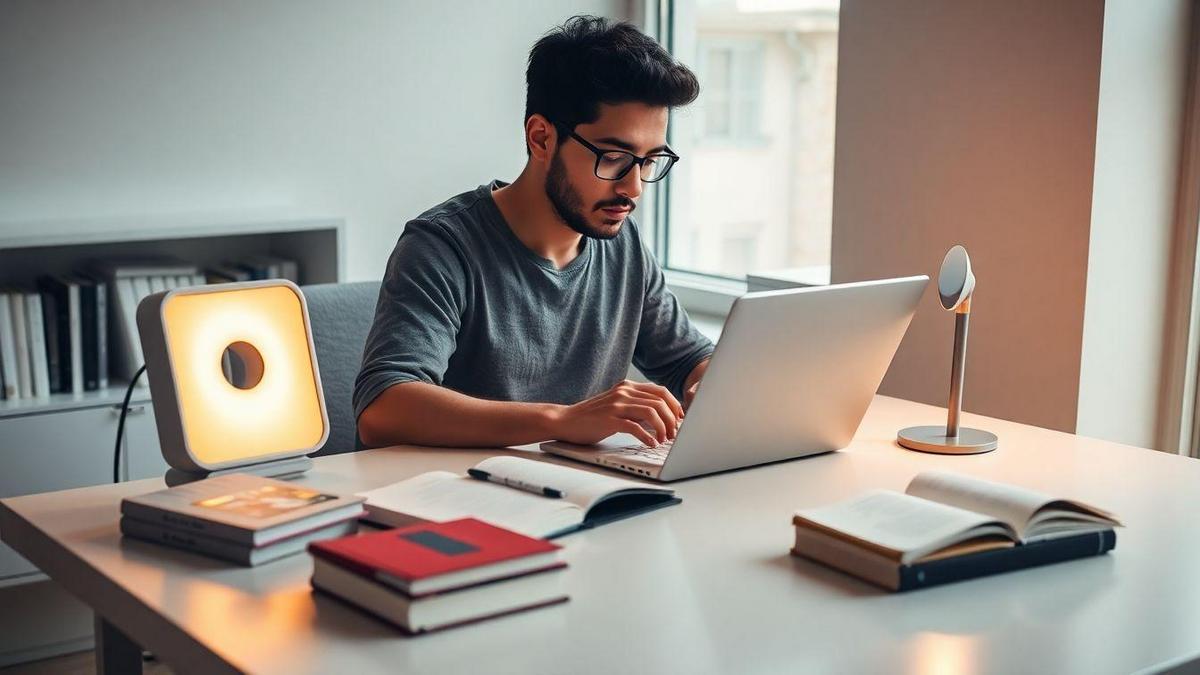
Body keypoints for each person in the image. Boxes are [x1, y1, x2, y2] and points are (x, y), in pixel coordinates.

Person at [354, 15, 713, 450]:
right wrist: (560, 420)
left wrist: (713, 385)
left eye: (650, 160)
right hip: (449, 499)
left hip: (569, 496)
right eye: (615, 157)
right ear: (541, 138)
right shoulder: (441, 246)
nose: (633, 187)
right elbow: (383, 408)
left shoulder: (623, 245)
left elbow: (691, 360)